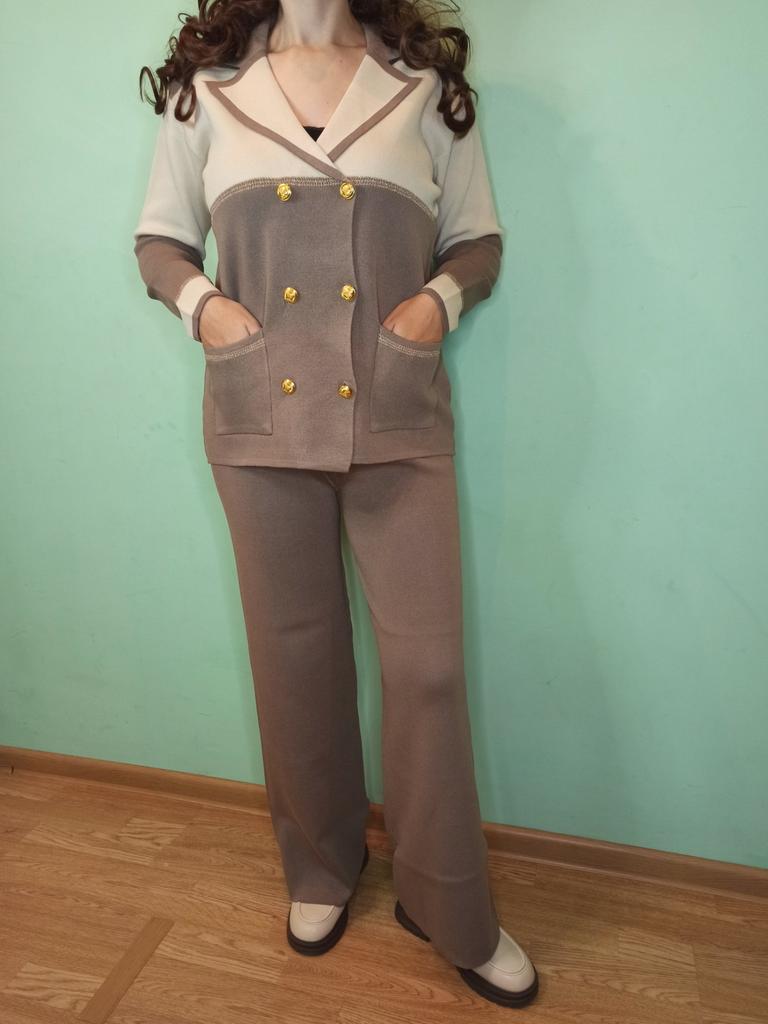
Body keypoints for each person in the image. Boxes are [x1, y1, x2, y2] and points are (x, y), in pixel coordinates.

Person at [133, 0, 539, 1008]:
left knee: (428, 669)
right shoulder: (205, 93)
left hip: (397, 411)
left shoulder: (426, 88)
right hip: (259, 415)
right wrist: (209, 311)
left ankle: (446, 899)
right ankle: (321, 865)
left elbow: (477, 243)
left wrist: (433, 304)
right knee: (294, 657)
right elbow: (160, 243)